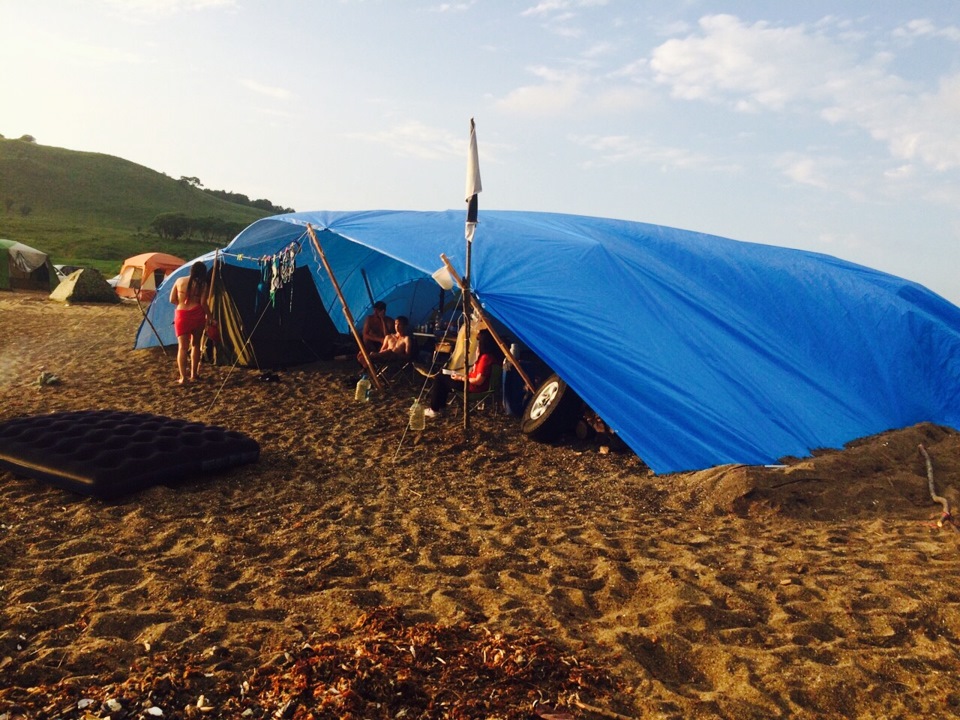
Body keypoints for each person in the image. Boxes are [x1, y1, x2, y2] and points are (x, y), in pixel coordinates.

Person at [425, 329, 498, 417]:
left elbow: (478, 381)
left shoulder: (485, 359)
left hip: (472, 388)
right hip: (471, 383)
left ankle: (435, 409)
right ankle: (440, 408)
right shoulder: (490, 356)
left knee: (440, 379)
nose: (477, 345)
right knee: (444, 378)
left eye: (479, 342)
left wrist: (460, 378)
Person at [169, 261, 210, 384]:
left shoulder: (179, 280)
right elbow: (203, 303)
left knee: (182, 347)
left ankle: (183, 378)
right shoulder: (203, 284)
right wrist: (210, 316)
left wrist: (181, 305)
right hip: (197, 314)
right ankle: (194, 374)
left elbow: (172, 299)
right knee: (196, 345)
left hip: (181, 315)